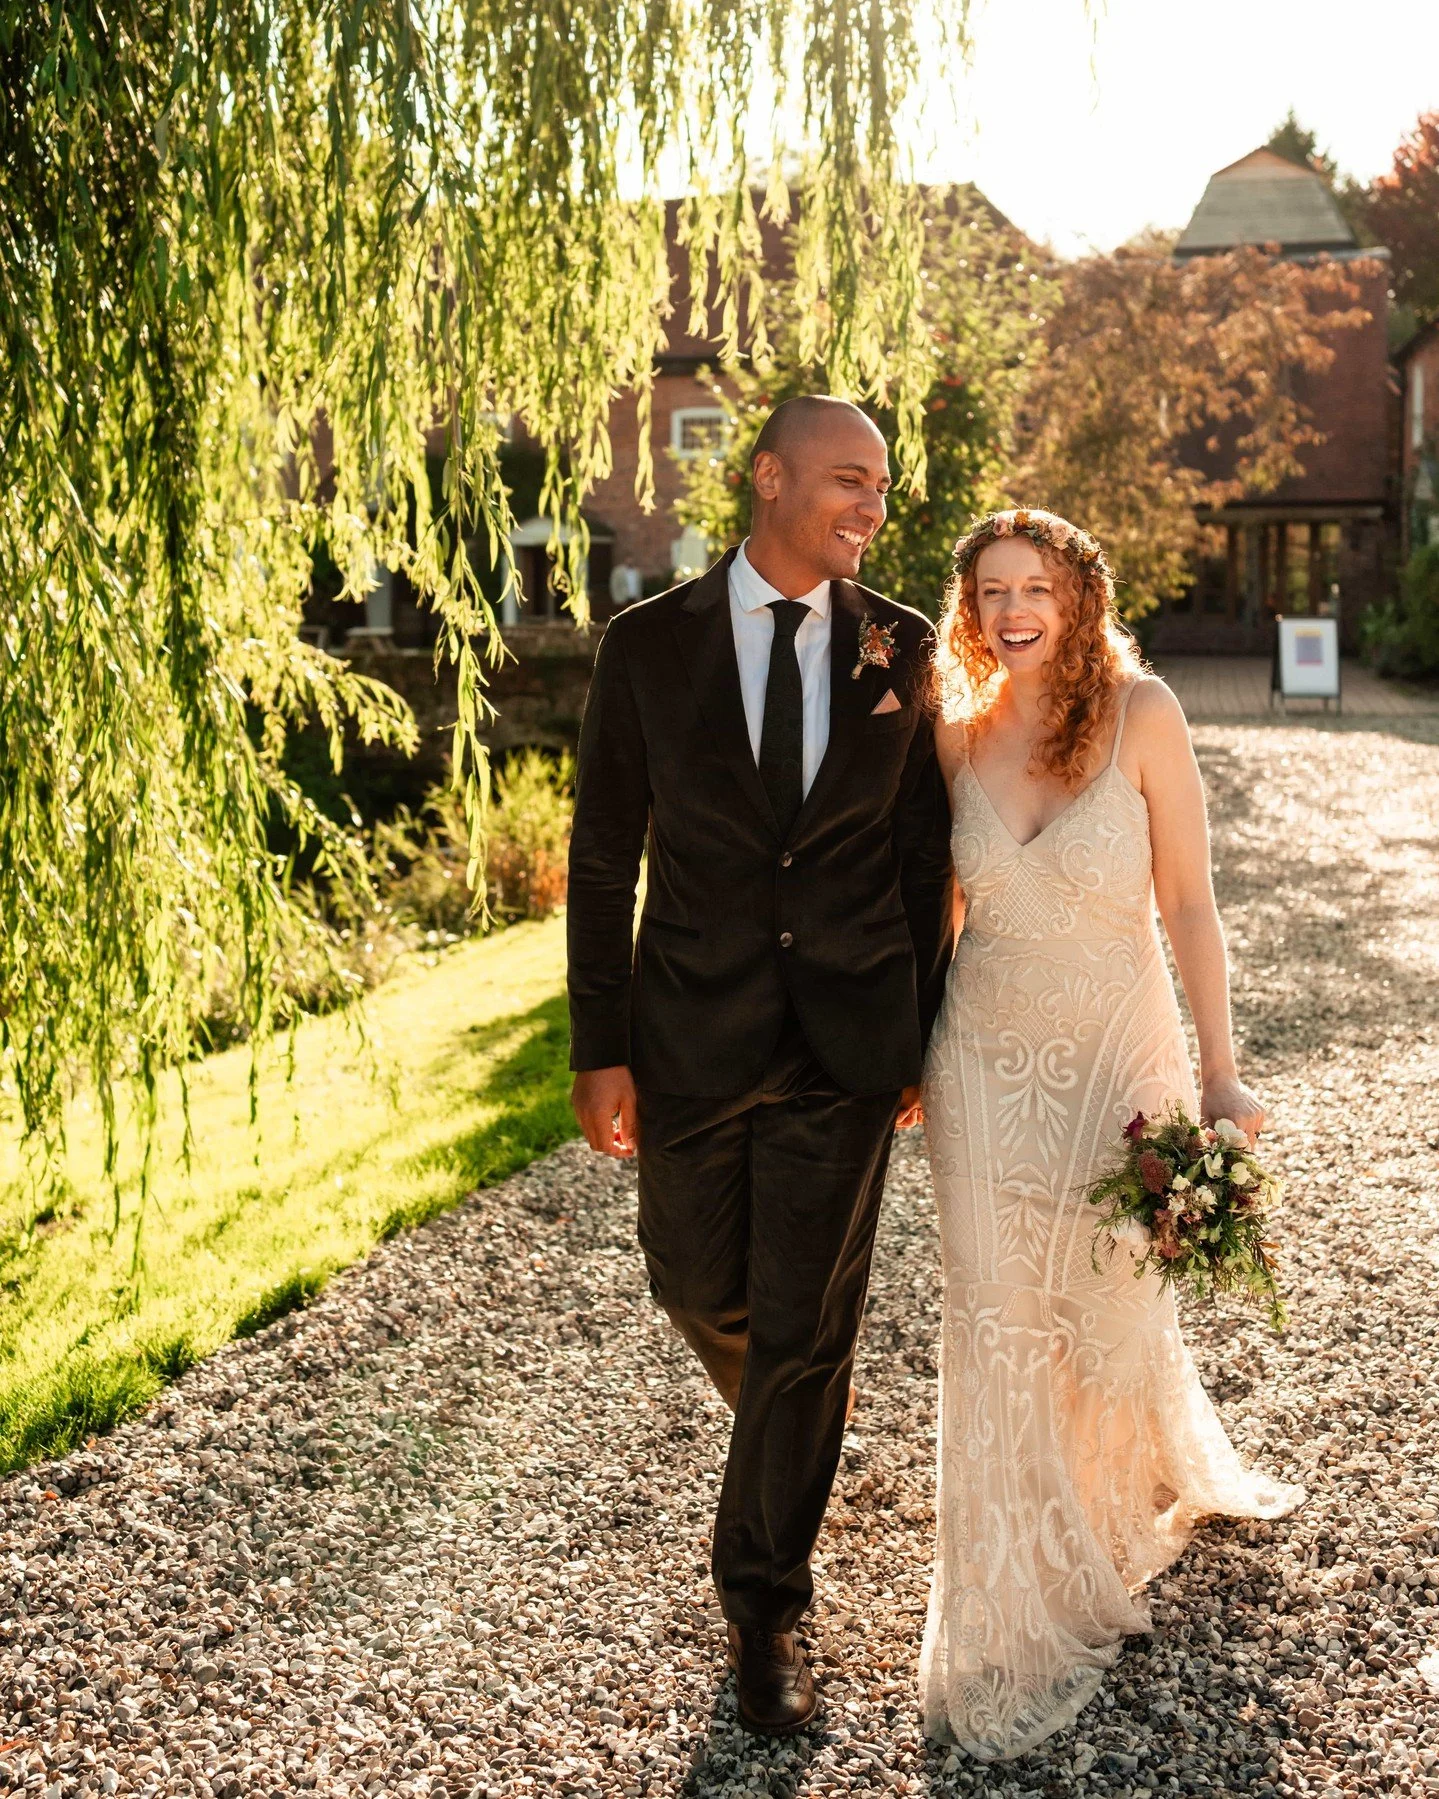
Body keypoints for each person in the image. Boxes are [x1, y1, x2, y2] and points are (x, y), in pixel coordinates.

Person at [566, 395, 954, 1734]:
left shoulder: (904, 645)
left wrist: (922, 1026)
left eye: (884, 488)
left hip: (845, 1045)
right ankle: (791, 1419)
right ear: (767, 474)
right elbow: (605, 851)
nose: (872, 505)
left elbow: (922, 854)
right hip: (685, 1031)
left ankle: (762, 1613)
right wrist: (598, 1045)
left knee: (801, 1324)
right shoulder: (645, 647)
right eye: (850, 478)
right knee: (689, 1277)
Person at [920, 509, 1304, 1761]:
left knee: (1104, 1310)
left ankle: (1107, 1496)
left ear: (1077, 597)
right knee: (992, 1314)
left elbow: (1189, 904)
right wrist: (890, 1064)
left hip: (1115, 1061)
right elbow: (933, 912)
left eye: (1034, 586)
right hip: (978, 1058)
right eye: (990, 591)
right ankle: (1015, 1592)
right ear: (968, 607)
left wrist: (1221, 1075)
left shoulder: (1142, 714)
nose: (1011, 609)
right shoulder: (952, 731)